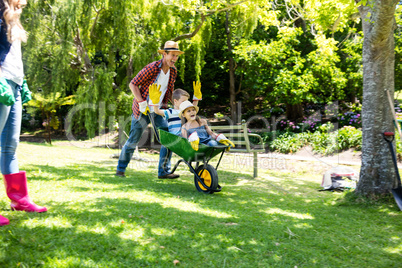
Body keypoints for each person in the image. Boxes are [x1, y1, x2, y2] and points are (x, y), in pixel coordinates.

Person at [0, 0, 47, 226]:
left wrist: (22, 80)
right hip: (2, 81)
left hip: (15, 82)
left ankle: (19, 199)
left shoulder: (13, 16)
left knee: (10, 146)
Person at [116, 41, 185, 179]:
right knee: (134, 139)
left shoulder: (173, 71)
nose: (174, 59)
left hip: (159, 110)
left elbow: (169, 91)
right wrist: (141, 102)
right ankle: (120, 170)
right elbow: (133, 84)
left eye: (177, 56)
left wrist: (181, 106)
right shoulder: (152, 68)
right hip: (142, 110)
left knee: (168, 138)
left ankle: (163, 171)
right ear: (164, 54)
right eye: (172, 55)